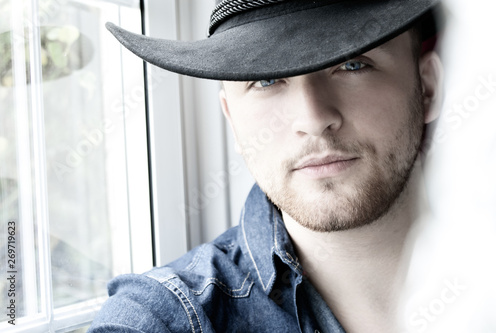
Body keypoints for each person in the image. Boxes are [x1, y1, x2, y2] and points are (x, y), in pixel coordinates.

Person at [89, 0, 444, 332]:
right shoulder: (166, 317)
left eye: (353, 64)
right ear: (232, 119)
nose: (313, 118)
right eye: (266, 81)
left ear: (428, 88)